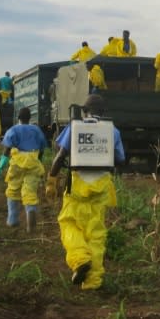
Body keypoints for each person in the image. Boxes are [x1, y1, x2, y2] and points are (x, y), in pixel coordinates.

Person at [46, 94, 125, 290]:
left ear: (84, 111)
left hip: (77, 186)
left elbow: (59, 156)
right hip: (101, 186)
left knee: (69, 223)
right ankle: (93, 282)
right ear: (103, 112)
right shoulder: (112, 130)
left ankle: (80, 259)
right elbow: (120, 160)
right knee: (96, 235)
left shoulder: (75, 127)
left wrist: (51, 180)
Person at [0, 107, 48, 232]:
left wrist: (0, 168)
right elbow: (42, 149)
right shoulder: (36, 130)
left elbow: (6, 151)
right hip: (33, 162)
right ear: (30, 118)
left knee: (13, 189)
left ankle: (13, 220)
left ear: (18, 118)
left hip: (17, 163)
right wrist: (38, 162)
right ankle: (31, 226)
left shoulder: (13, 130)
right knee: (30, 193)